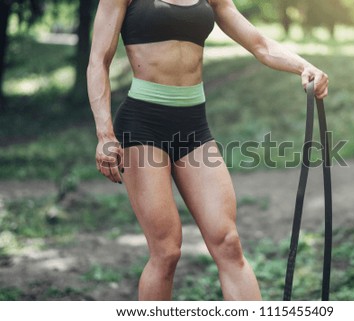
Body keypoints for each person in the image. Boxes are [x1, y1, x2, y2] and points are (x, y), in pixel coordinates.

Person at [87, 0, 328, 301]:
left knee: (227, 241)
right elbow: (99, 60)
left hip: (193, 124)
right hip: (142, 125)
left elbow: (260, 44)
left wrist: (304, 66)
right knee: (166, 250)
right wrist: (105, 133)